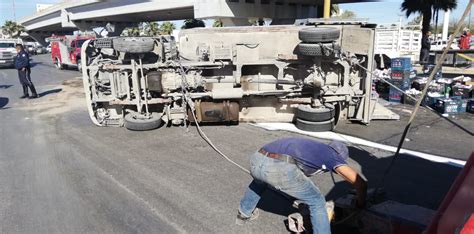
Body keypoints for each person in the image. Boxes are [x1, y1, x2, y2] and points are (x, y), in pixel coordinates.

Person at [237, 137, 367, 234]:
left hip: (257, 158)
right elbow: (360, 183)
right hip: (276, 167)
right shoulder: (332, 156)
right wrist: (360, 204)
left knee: (259, 182)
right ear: (340, 157)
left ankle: (244, 213)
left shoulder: (316, 148)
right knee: (317, 201)